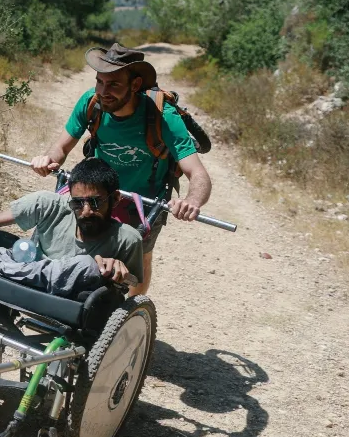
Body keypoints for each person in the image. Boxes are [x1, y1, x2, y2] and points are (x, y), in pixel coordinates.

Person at [29, 43, 212, 295]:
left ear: (135, 85)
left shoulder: (163, 116)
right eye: (100, 82)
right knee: (80, 243)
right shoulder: (91, 103)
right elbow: (60, 147)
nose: (104, 92)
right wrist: (48, 159)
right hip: (96, 193)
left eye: (114, 84)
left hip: (143, 202)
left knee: (139, 257)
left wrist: (192, 201)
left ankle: (133, 314)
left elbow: (198, 173)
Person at [0, 158, 144, 307]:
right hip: (27, 275)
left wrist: (119, 270)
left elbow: (132, 284)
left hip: (71, 298)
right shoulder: (48, 204)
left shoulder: (127, 239)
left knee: (88, 266)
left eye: (95, 203)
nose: (85, 211)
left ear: (114, 199)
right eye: (78, 203)